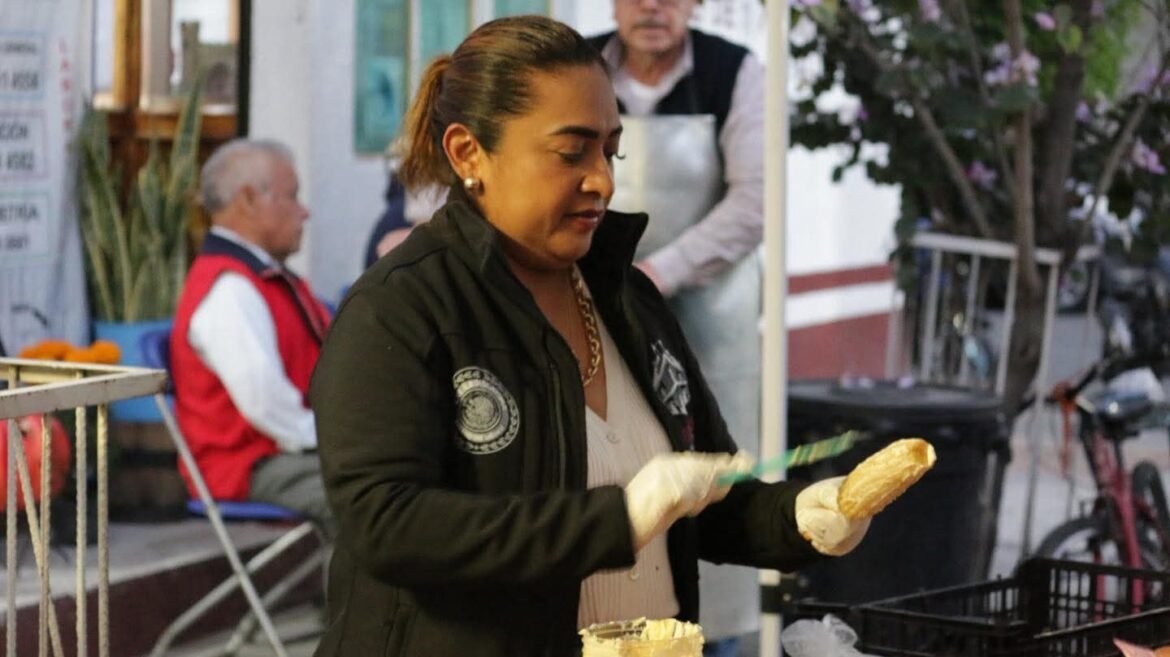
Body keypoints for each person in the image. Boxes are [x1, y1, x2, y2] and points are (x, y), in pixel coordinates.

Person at [311, 16, 869, 657]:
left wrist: (801, 517)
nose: (602, 178)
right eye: (570, 152)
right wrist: (620, 518)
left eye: (611, 149)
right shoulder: (402, 308)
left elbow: (705, 497)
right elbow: (388, 523)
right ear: (469, 153)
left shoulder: (629, 300)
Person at [588, 2, 767, 653]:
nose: (652, 7)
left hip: (707, 329)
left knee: (708, 484)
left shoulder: (734, 71)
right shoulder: (578, 64)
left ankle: (715, 639)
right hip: (590, 314)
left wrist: (656, 272)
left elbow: (754, 200)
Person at [170, 139, 334, 535]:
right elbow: (268, 406)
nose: (304, 210)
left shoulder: (260, 276)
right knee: (375, 498)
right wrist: (350, 441)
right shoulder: (230, 289)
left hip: (280, 452)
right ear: (247, 200)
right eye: (292, 196)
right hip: (251, 463)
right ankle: (358, 600)